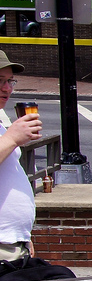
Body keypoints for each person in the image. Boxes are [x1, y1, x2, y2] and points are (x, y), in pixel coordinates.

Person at [0, 51, 40, 262]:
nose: (7, 88)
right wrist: (12, 138)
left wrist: (21, 235)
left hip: (12, 243)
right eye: (0, 81)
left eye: (10, 81)